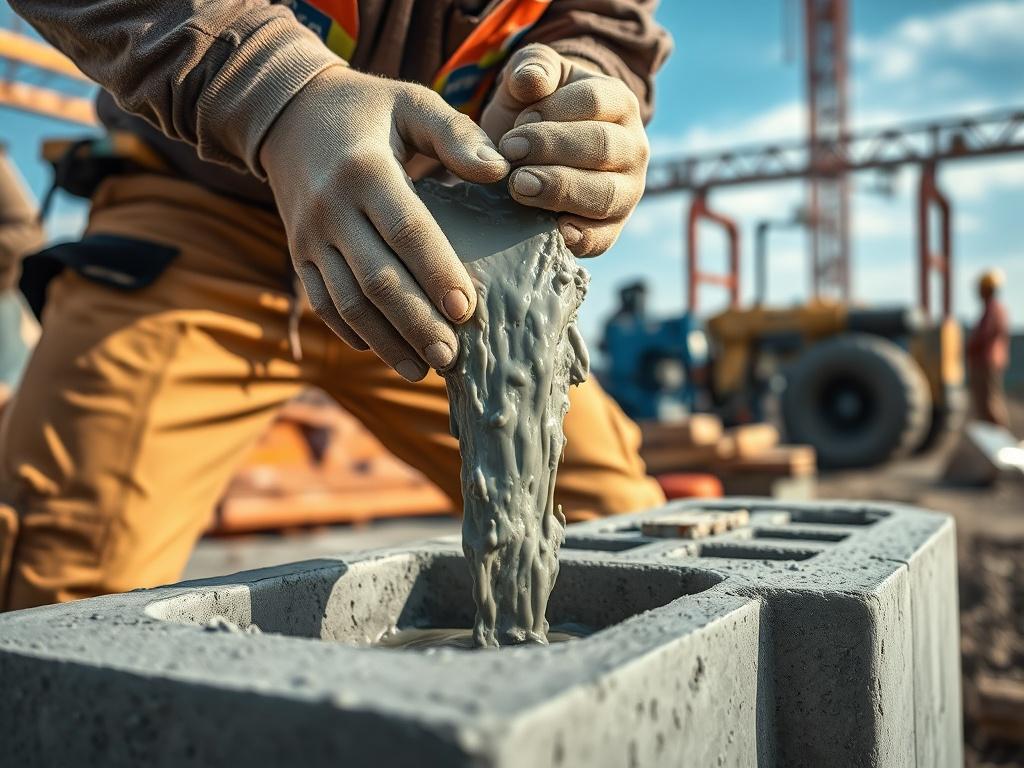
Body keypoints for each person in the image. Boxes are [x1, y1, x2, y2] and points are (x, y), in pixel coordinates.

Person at [0, 0, 670, 610]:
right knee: (65, 592)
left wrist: (582, 89)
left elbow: (602, 21)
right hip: (197, 222)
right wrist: (280, 92)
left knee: (622, 533)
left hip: (422, 253)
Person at [966, 268, 1011, 428]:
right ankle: (994, 434)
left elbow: (984, 335)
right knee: (989, 401)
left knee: (989, 401)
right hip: (989, 360)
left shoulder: (992, 310)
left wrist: (968, 347)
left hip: (986, 361)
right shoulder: (994, 309)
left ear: (986, 289)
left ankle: (998, 435)